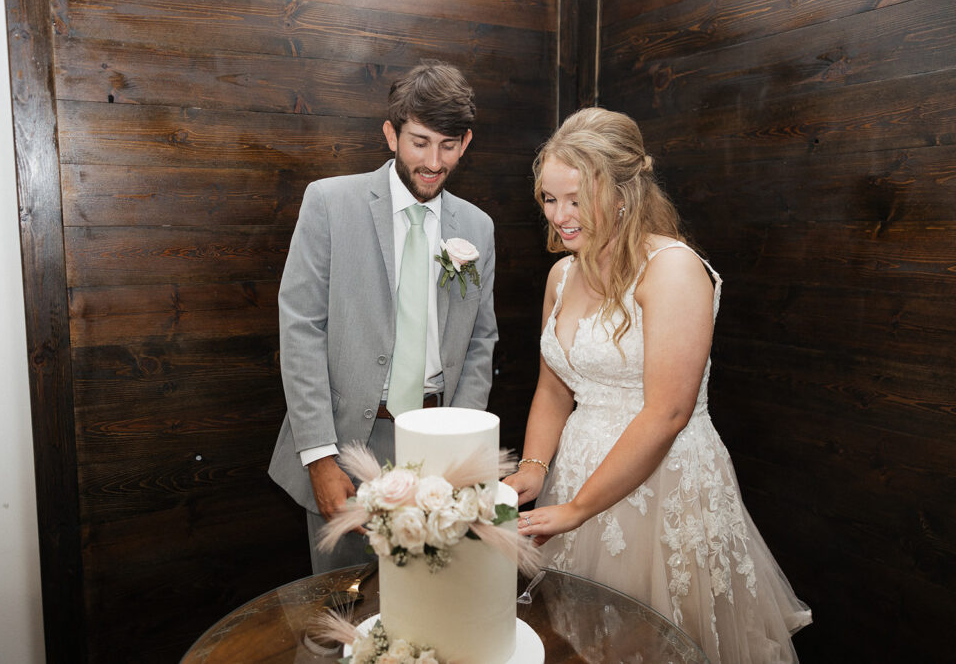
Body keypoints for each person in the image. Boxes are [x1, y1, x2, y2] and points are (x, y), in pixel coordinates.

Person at [503, 108, 811, 663]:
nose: (561, 217)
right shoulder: (562, 274)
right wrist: (533, 468)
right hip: (576, 472)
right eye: (549, 200)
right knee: (581, 639)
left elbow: (668, 412)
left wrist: (578, 509)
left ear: (623, 192)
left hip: (662, 483)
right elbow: (553, 387)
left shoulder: (672, 269)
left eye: (576, 199)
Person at [269, 61, 498, 573]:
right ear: (391, 134)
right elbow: (301, 328)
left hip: (441, 439)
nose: (433, 162)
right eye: (419, 142)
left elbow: (482, 340)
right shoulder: (329, 202)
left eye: (448, 145)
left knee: (433, 601)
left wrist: (462, 445)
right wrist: (319, 457)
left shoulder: (477, 229)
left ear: (465, 143)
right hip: (350, 440)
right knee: (346, 610)